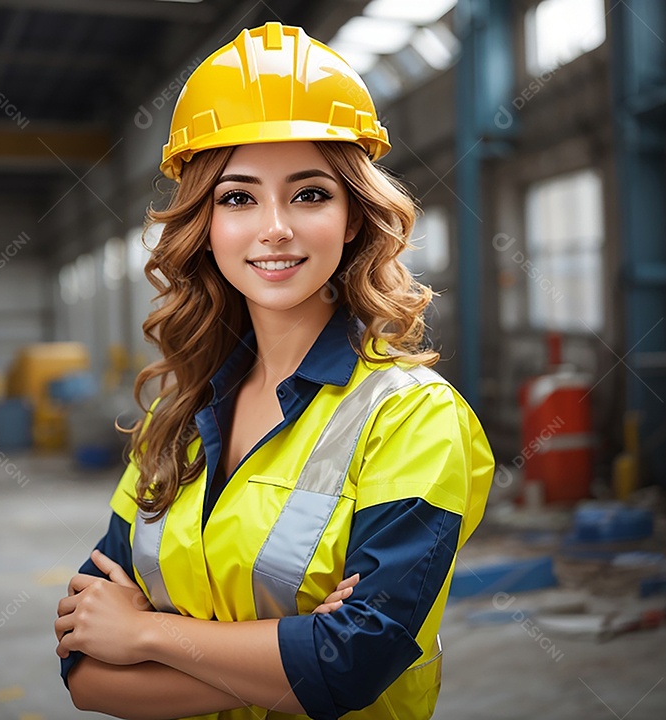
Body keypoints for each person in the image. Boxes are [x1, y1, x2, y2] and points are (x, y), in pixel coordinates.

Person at [53, 22, 494, 720]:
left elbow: (352, 666)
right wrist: (297, 654)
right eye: (238, 197)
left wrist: (143, 632)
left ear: (352, 216)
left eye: (310, 193)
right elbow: (84, 670)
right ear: (206, 223)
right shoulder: (176, 420)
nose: (275, 227)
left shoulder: (413, 419)